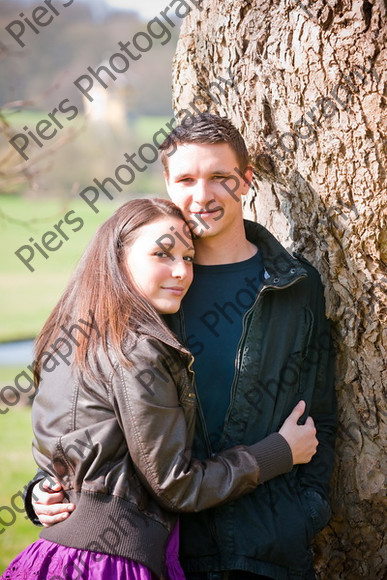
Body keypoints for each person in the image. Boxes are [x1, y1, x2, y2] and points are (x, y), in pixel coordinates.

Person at [24, 114, 336, 579]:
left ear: (247, 182)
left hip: (266, 542)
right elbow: (83, 406)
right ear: (167, 182)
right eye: (187, 179)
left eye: (220, 178)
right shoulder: (141, 290)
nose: (203, 195)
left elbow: (321, 413)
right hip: (160, 547)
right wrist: (46, 487)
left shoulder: (294, 285)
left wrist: (307, 509)